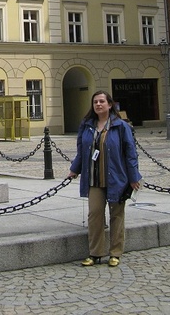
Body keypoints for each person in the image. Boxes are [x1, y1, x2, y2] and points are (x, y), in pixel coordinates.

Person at [68, 90, 141, 267]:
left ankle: (115, 253)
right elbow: (82, 151)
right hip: (94, 178)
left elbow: (130, 153)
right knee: (94, 214)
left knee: (117, 215)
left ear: (110, 105)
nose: (98, 104)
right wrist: (74, 169)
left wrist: (134, 177)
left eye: (102, 101)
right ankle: (95, 253)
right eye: (95, 102)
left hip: (116, 177)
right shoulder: (87, 125)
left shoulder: (120, 126)